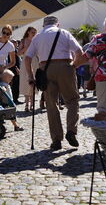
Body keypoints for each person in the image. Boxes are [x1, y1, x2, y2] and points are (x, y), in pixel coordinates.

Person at [24, 16, 86, 150]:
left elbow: (27, 58)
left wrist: (30, 76)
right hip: (65, 66)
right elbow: (80, 52)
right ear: (57, 24)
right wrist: (74, 65)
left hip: (45, 69)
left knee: (51, 105)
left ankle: (56, 140)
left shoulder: (38, 37)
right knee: (72, 100)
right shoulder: (64, 33)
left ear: (43, 25)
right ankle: (71, 131)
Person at [18, 27, 38, 112]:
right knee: (26, 83)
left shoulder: (36, 41)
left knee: (34, 83)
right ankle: (26, 105)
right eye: (33, 32)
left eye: (35, 32)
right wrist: (25, 48)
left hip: (34, 62)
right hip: (25, 62)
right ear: (28, 32)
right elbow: (18, 53)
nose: (34, 34)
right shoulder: (23, 41)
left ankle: (32, 105)